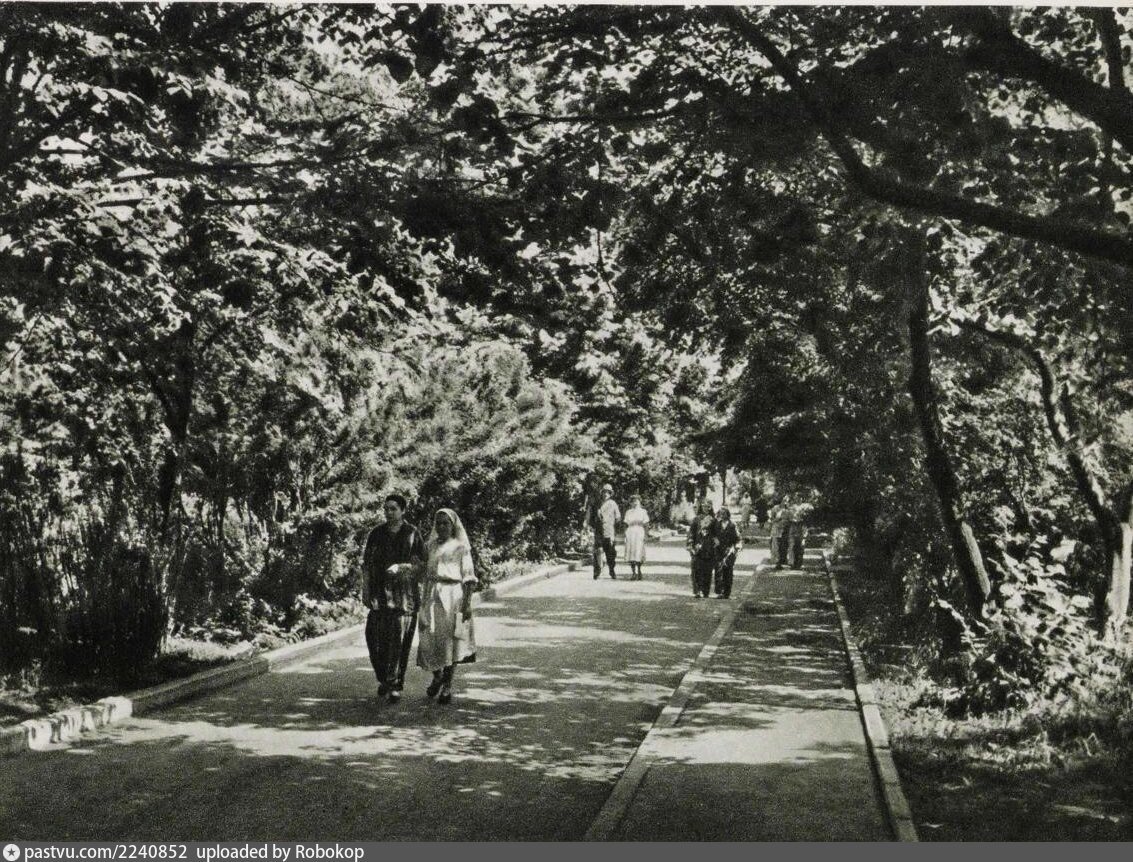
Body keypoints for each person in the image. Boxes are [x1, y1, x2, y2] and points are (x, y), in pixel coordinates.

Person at [361, 494, 426, 703]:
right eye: (386, 509)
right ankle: (384, 678)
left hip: (404, 596)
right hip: (379, 594)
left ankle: (395, 683)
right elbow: (367, 565)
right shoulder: (376, 533)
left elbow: (421, 565)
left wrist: (402, 567)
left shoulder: (412, 534)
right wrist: (365, 589)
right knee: (374, 639)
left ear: (403, 511)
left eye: (393, 509)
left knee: (399, 642)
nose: (389, 512)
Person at [417, 508, 478, 705]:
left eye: (446, 523)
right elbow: (422, 571)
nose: (442, 527)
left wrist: (466, 605)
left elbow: (469, 578)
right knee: (428, 639)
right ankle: (437, 676)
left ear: (453, 525)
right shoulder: (430, 546)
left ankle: (447, 685)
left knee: (450, 642)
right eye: (439, 523)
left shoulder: (461, 547)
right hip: (432, 594)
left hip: (453, 596)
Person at [686, 498, 717, 598]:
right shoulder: (696, 519)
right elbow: (691, 533)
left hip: (709, 549)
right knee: (696, 570)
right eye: (704, 506)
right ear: (701, 507)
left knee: (707, 571)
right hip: (698, 548)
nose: (706, 508)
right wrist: (690, 544)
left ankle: (705, 590)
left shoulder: (714, 520)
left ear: (711, 508)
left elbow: (717, 534)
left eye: (708, 507)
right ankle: (697, 590)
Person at [593, 483, 621, 580]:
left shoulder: (613, 504)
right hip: (599, 530)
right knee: (598, 550)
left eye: (608, 492)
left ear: (610, 494)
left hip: (609, 530)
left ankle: (611, 570)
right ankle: (598, 571)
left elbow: (618, 517)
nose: (605, 494)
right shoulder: (598, 503)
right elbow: (593, 516)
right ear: (601, 493)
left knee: (610, 553)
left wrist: (613, 525)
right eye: (604, 492)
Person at [714, 507, 742, 599]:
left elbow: (738, 538)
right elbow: (712, 535)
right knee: (719, 570)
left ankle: (727, 593)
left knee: (728, 571)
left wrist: (736, 548)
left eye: (724, 513)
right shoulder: (717, 524)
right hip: (718, 550)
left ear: (727, 514)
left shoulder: (732, 525)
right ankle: (720, 592)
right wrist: (715, 540)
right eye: (721, 513)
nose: (722, 515)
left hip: (729, 550)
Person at [623, 495, 650, 580]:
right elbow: (625, 524)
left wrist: (646, 535)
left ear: (639, 502)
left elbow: (646, 524)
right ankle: (633, 572)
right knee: (631, 552)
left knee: (639, 551)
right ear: (630, 503)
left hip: (639, 532)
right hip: (630, 532)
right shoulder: (628, 512)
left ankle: (639, 570)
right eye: (633, 501)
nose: (635, 503)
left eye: (636, 501)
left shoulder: (643, 512)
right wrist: (625, 534)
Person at [789, 500, 812, 569]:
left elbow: (805, 532)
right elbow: (791, 532)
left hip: (800, 538)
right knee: (794, 551)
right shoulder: (793, 525)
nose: (797, 522)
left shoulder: (802, 525)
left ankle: (799, 564)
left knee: (800, 551)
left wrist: (804, 539)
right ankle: (794, 564)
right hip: (795, 538)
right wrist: (791, 538)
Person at [768, 498, 789, 570]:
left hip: (785, 529)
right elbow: (771, 519)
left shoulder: (788, 509)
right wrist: (777, 519)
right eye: (784, 501)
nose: (785, 502)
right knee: (776, 546)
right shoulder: (775, 508)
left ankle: (783, 560)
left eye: (787, 501)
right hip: (776, 529)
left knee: (784, 546)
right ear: (781, 501)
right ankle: (777, 562)